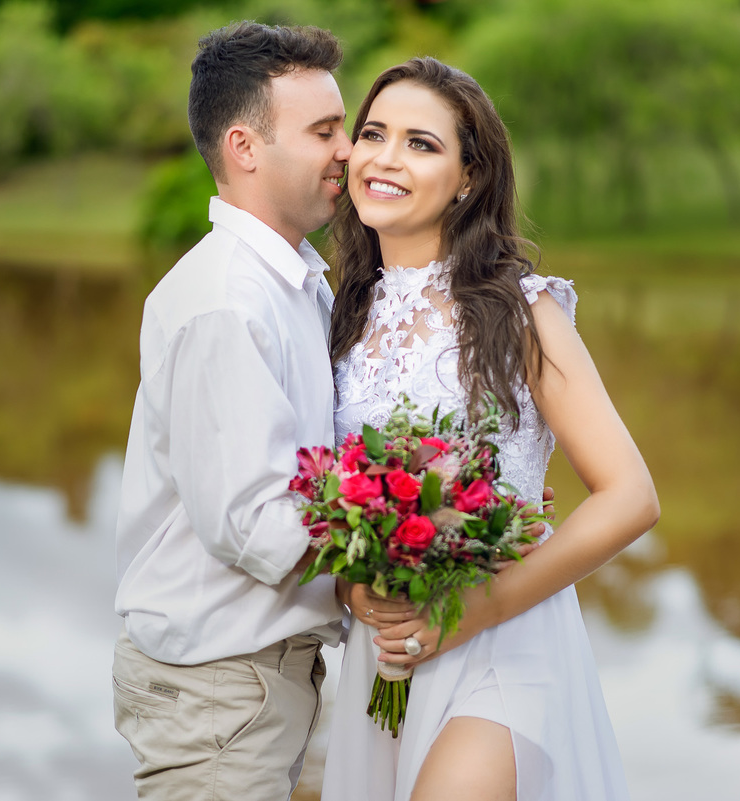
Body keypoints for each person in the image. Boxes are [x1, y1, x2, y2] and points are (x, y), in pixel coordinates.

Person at [321, 58, 661, 801]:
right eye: (374, 133)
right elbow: (322, 501)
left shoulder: (520, 309)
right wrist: (357, 593)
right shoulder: (334, 316)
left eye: (421, 143)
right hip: (391, 655)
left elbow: (630, 493)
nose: (385, 157)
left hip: (509, 642)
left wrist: (484, 609)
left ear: (469, 176)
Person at [110, 22, 355, 800]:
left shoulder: (293, 284)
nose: (347, 149)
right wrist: (406, 542)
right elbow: (255, 524)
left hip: (274, 676)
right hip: (220, 693)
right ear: (246, 147)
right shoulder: (225, 300)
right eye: (324, 130)